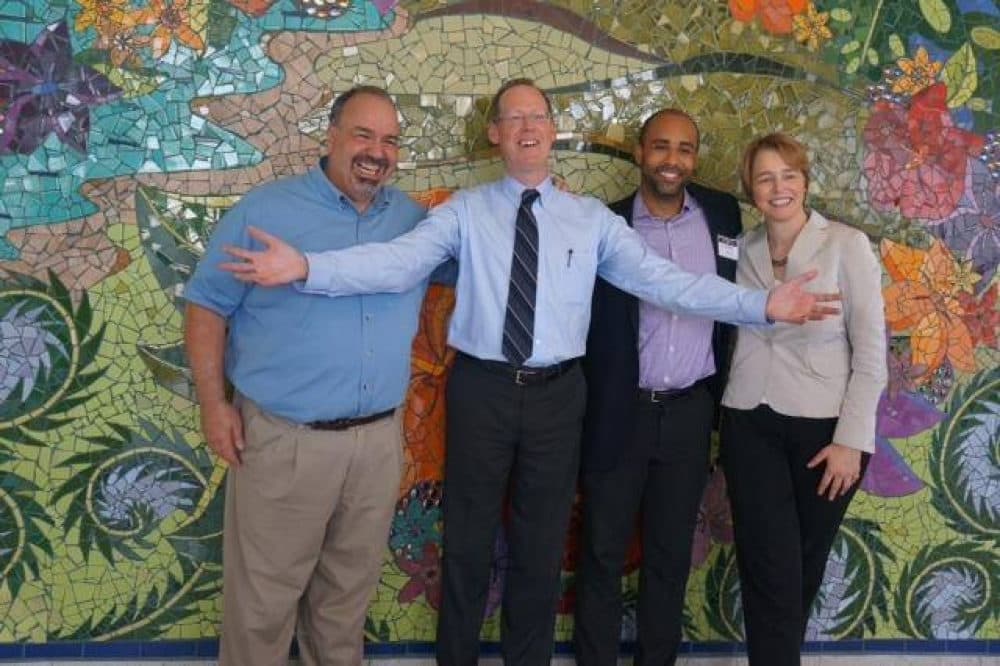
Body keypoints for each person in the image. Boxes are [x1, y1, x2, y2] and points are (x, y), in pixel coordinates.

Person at [219, 79, 838, 666]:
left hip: (558, 398)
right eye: (513, 118)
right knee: (466, 543)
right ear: (495, 134)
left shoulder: (592, 220)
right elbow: (393, 263)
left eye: (536, 116)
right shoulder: (463, 213)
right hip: (483, 389)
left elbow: (667, 283)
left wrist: (761, 305)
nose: (526, 127)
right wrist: (305, 267)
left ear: (553, 131)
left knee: (541, 550)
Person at [183, 85, 427, 666]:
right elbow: (207, 305)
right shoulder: (267, 211)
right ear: (331, 135)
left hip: (376, 445)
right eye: (363, 134)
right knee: (263, 604)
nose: (377, 151)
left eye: (390, 140)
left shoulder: (414, 221)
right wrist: (214, 406)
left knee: (346, 602)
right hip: (285, 442)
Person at [573, 108, 742, 666]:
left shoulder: (722, 218)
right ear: (640, 152)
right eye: (661, 147)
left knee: (671, 556)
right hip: (622, 414)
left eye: (685, 148)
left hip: (691, 413)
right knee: (601, 551)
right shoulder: (605, 226)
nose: (673, 160)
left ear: (695, 157)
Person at [719, 133, 886, 666]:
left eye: (788, 175)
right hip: (749, 422)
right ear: (751, 189)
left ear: (806, 182)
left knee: (801, 567)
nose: (778, 187)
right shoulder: (741, 249)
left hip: (824, 433)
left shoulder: (846, 245)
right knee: (768, 566)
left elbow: (871, 354)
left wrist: (851, 441)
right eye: (765, 178)